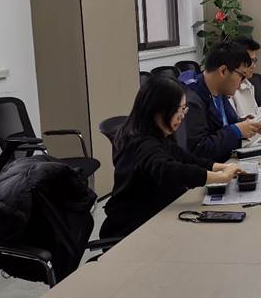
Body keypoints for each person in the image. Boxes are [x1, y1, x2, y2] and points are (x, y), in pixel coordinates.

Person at [101, 76, 241, 238]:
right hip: (134, 229)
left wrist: (220, 167)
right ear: (158, 110)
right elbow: (170, 170)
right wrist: (219, 177)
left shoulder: (158, 134)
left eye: (184, 109)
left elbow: (185, 158)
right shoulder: (142, 143)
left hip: (158, 216)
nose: (182, 116)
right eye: (178, 110)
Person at [183, 42, 261, 162]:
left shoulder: (220, 92)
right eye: (241, 76)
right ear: (223, 71)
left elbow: (227, 126)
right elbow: (199, 149)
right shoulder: (192, 100)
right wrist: (237, 131)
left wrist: (247, 125)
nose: (242, 82)